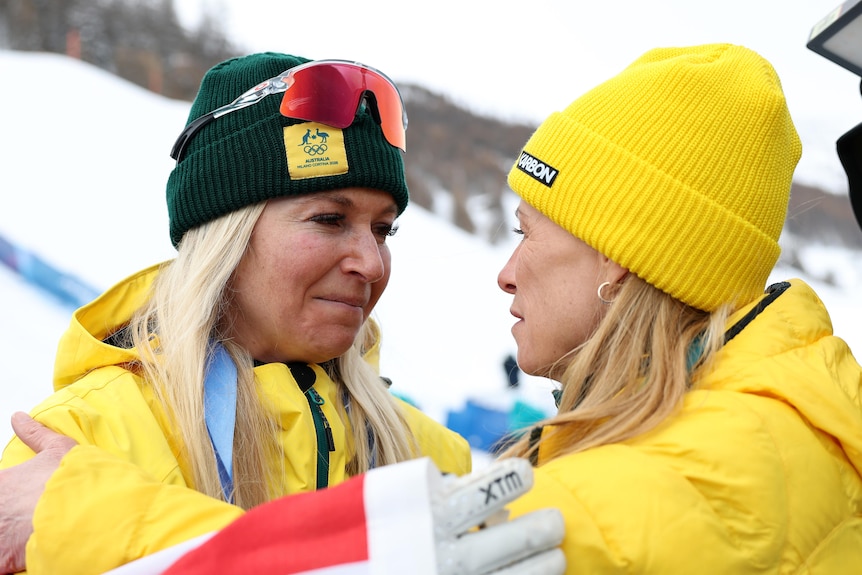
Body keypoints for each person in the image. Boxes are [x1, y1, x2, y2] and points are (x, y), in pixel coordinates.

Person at [0, 52, 482, 574]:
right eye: (328, 219)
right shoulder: (75, 447)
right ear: (225, 238)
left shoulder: (431, 459)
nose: (370, 262)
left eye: (384, 230)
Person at [491, 43, 862, 572]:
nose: (506, 275)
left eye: (524, 232)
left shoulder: (586, 514)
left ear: (618, 258)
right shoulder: (789, 428)